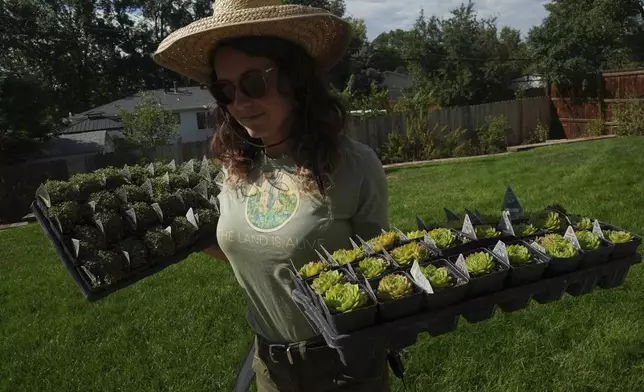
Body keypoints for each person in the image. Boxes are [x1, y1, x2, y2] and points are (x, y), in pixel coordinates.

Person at [153, 1, 391, 391]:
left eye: (253, 83)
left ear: (295, 79)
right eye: (224, 90)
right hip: (269, 365)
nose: (240, 104)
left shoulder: (354, 166)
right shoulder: (235, 168)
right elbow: (253, 246)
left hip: (342, 366)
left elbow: (378, 270)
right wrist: (177, 239)